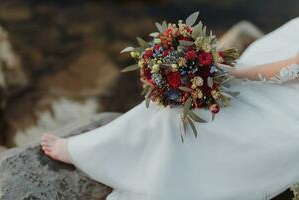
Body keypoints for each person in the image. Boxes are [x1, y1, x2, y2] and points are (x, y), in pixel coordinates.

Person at [41, 17, 299, 200]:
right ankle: (95, 152)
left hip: (289, 108)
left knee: (197, 119)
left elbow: (286, 72)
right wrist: (222, 71)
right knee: (173, 108)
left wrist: (232, 73)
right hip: (280, 78)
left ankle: (155, 177)